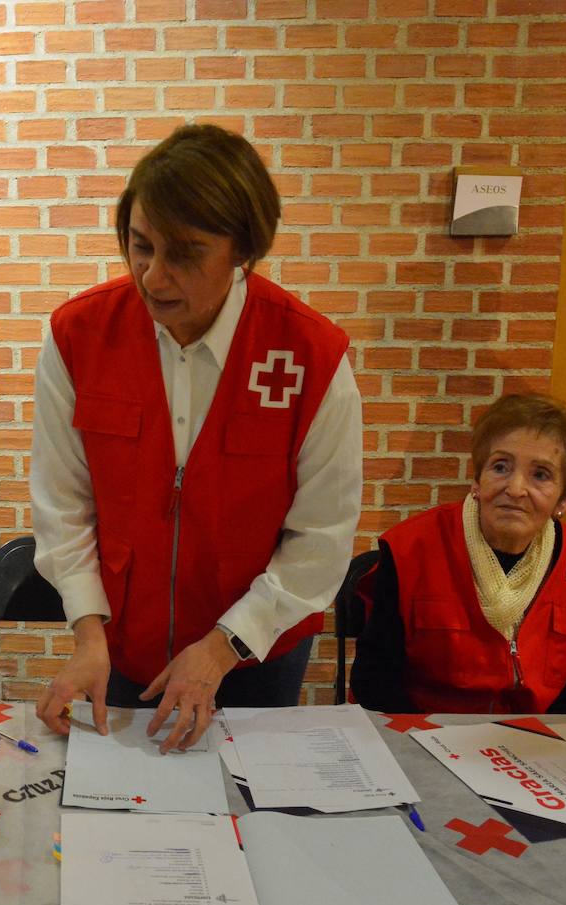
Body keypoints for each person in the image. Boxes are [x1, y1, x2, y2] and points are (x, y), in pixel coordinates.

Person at [31, 123, 362, 752]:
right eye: (140, 246)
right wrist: (87, 633)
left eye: (185, 253)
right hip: (125, 650)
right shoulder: (78, 336)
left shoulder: (311, 356)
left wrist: (219, 648)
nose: (154, 277)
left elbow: (321, 538)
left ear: (243, 250)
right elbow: (61, 503)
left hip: (258, 653)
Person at [352, 393, 566, 714]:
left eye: (541, 475)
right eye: (501, 467)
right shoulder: (410, 550)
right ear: (477, 480)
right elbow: (375, 681)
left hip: (532, 745)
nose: (516, 489)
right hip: (420, 736)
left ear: (563, 500)